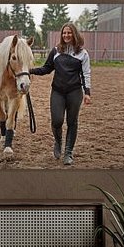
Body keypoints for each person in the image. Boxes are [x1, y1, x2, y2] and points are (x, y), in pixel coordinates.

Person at [30, 22, 91, 165]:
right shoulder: (56, 50)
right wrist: (30, 70)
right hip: (57, 91)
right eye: (64, 33)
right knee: (57, 121)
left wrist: (87, 92)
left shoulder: (83, 53)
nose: (66, 35)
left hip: (74, 92)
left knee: (72, 122)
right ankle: (58, 141)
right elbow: (46, 68)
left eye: (69, 33)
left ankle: (68, 153)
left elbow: (86, 74)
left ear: (74, 34)